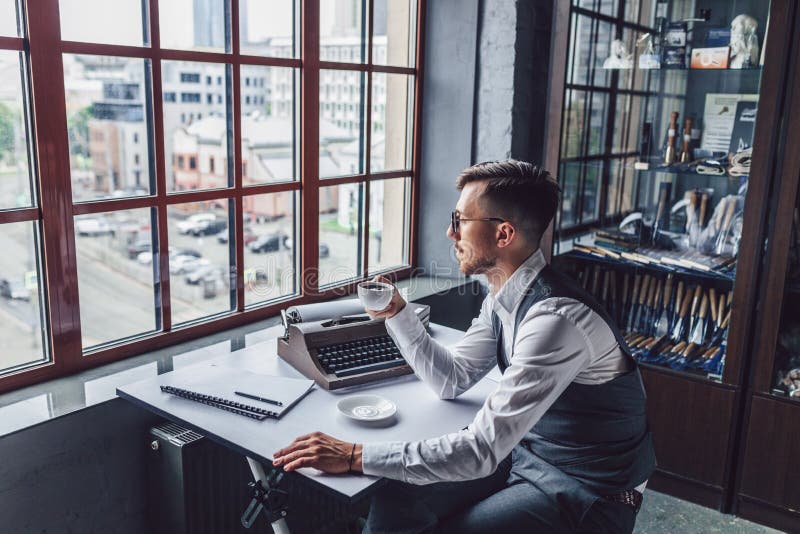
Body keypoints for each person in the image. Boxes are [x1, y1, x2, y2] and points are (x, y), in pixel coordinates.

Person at [273, 160, 656, 532]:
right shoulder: (504, 296)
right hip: (525, 455)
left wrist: (355, 455)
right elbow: (451, 380)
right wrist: (397, 314)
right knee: (396, 497)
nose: (449, 233)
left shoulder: (556, 321)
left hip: (589, 490)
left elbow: (480, 451)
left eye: (460, 221)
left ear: (504, 235)